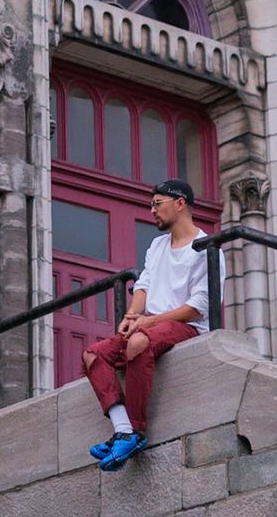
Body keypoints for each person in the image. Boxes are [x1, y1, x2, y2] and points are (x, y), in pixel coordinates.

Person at [82, 177, 220, 471]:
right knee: (93, 354)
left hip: (186, 327)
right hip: (150, 324)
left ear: (180, 204)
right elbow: (142, 285)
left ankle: (137, 430)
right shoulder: (157, 246)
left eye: (158, 204)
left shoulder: (207, 248)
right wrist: (132, 317)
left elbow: (198, 308)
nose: (152, 211)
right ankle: (123, 430)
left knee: (139, 342)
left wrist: (149, 322)